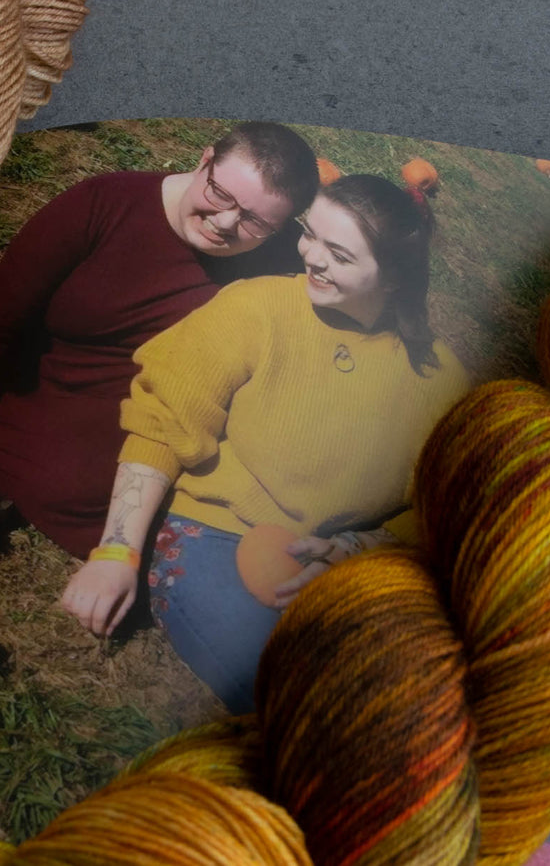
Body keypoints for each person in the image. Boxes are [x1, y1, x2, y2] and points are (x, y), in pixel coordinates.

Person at [60, 174, 471, 714]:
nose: (311, 257)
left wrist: (358, 549)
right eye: (310, 234)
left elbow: (454, 500)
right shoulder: (257, 307)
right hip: (215, 534)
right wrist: (116, 552)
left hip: (341, 562)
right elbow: (162, 421)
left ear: (393, 278)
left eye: (339, 254)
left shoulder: (441, 380)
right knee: (293, 693)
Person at [0, 123, 320, 582]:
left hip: (137, 407)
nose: (226, 223)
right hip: (35, 368)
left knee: (105, 480)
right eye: (221, 194)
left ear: (285, 227)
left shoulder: (287, 259)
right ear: (203, 160)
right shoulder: (104, 202)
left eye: (256, 222)